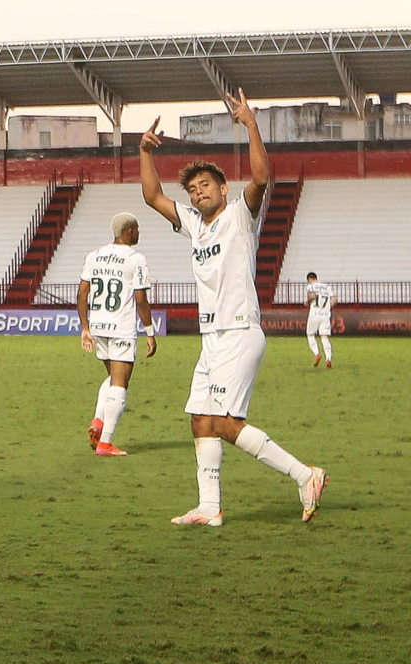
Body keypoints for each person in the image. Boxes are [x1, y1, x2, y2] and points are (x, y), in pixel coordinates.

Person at [138, 90, 329, 528]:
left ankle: (306, 476)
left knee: (225, 423)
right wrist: (144, 152)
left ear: (223, 188)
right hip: (211, 339)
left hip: (241, 333)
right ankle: (209, 508)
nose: (198, 193)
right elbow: (152, 196)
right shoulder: (193, 224)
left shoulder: (241, 214)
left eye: (205, 186)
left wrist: (251, 125)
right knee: (200, 421)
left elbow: (261, 177)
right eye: (192, 189)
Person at [77, 212, 157, 457]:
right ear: (129, 231)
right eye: (137, 229)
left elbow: (82, 294)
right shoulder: (136, 259)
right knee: (120, 384)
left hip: (99, 326)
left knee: (113, 377)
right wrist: (150, 332)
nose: (139, 233)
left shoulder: (94, 255)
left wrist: (85, 328)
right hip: (121, 327)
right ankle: (105, 444)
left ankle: (98, 422)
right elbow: (141, 300)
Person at [304, 272, 334, 368]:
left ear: (310, 279)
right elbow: (334, 300)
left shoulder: (311, 286)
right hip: (325, 315)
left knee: (310, 335)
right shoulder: (327, 287)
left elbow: (312, 296)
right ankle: (328, 358)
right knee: (324, 337)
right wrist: (327, 307)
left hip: (314, 314)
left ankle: (317, 354)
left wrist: (307, 302)